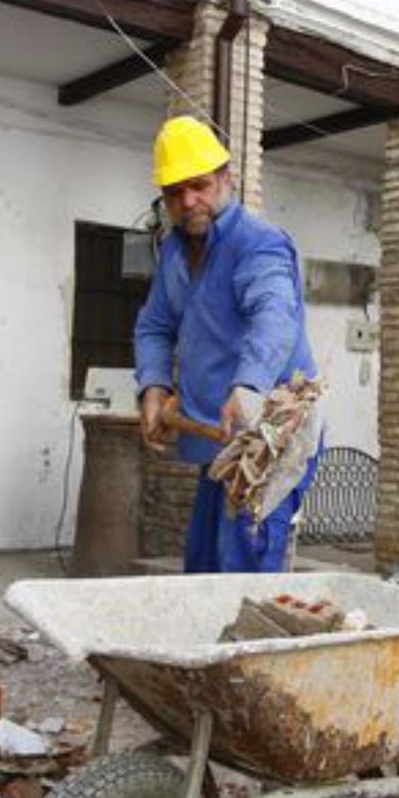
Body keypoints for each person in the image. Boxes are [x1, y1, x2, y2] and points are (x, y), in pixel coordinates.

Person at [134, 115, 319, 573]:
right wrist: (153, 387)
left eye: (198, 185)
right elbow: (155, 325)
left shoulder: (259, 244)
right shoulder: (174, 251)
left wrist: (249, 384)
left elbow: (275, 317)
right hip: (220, 444)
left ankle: (252, 647)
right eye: (174, 192)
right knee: (202, 569)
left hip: (270, 442)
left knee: (243, 572)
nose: (188, 201)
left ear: (226, 180)